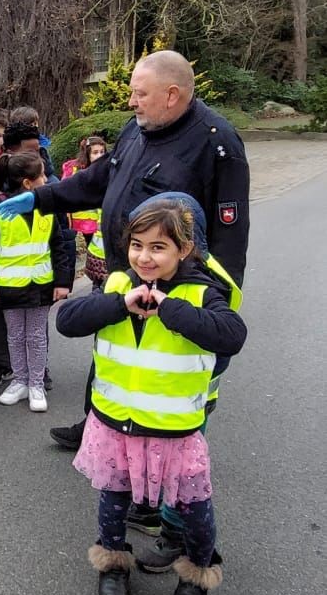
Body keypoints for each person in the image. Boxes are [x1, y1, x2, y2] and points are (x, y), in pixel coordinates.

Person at [30, 51, 250, 450]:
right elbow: (97, 179)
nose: (130, 102)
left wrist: (218, 303)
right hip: (126, 270)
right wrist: (41, 199)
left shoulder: (217, 144)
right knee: (115, 350)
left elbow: (231, 236)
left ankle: (180, 450)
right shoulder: (137, 129)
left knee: (167, 366)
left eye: (139, 93)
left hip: (178, 283)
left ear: (171, 95)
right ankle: (98, 423)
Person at [56, 198, 246, 595]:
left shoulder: (201, 291)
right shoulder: (118, 285)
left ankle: (196, 577)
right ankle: (113, 562)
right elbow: (67, 321)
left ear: (184, 249)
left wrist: (171, 310)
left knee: (194, 512)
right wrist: (118, 304)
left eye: (158, 247)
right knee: (113, 502)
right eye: (137, 245)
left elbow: (232, 334)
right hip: (115, 425)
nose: (144, 256)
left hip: (175, 431)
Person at [0, 151, 70, 411]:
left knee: (36, 336)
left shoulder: (47, 209)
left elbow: (59, 246)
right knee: (15, 336)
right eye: (41, 175)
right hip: (9, 288)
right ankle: (19, 381)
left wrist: (63, 282)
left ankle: (36, 384)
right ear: (28, 183)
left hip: (41, 286)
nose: (46, 178)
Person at [62, 136, 108, 289]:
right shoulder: (75, 169)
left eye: (102, 152)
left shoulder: (105, 169)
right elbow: (65, 190)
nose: (99, 156)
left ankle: (98, 281)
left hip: (97, 221)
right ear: (87, 153)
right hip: (79, 219)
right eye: (95, 152)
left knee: (97, 254)